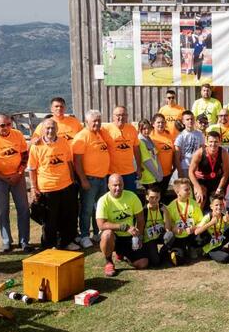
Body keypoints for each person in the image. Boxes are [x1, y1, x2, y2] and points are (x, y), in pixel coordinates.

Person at [0, 113, 31, 253]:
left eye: (9, 124)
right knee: (2, 210)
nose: (6, 127)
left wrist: (19, 173)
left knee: (23, 209)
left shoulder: (18, 134)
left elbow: (25, 156)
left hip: (17, 176)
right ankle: (6, 241)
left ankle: (24, 241)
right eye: (2, 125)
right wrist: (3, 177)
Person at [26, 118, 80, 251]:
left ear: (57, 129)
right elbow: (32, 169)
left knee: (67, 216)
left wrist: (73, 181)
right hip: (47, 188)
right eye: (47, 128)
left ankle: (66, 242)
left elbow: (68, 162)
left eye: (52, 128)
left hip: (66, 185)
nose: (50, 131)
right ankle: (49, 245)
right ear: (43, 130)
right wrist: (34, 188)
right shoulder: (36, 146)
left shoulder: (63, 142)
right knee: (49, 220)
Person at [71, 110, 111, 248]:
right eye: (94, 121)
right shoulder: (82, 137)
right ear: (86, 122)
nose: (97, 123)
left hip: (102, 178)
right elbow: (77, 161)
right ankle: (84, 235)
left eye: (99, 120)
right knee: (87, 209)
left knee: (99, 208)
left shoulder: (99, 134)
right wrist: (83, 180)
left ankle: (97, 232)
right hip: (89, 178)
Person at [95, 173, 148, 277]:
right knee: (107, 234)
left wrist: (139, 236)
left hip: (129, 237)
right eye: (115, 185)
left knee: (143, 263)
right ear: (108, 185)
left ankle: (122, 253)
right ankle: (109, 261)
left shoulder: (132, 196)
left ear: (124, 185)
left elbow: (140, 219)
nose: (118, 188)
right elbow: (101, 225)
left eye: (120, 185)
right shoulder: (103, 200)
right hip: (114, 236)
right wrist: (125, 227)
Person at [165, 178, 206, 263]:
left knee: (204, 233)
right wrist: (174, 229)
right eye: (186, 190)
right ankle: (176, 251)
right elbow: (168, 225)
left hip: (191, 235)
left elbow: (201, 222)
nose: (189, 191)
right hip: (179, 236)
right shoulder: (170, 207)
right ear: (178, 192)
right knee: (180, 259)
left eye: (189, 189)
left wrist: (194, 228)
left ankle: (193, 247)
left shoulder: (193, 203)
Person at [103, 106, 142, 193]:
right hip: (111, 172)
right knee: (113, 199)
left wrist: (139, 168)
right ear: (113, 116)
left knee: (131, 196)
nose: (121, 117)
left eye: (124, 115)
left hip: (129, 172)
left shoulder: (132, 129)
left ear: (127, 116)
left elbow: (136, 149)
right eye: (118, 115)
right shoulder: (105, 130)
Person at [189, 131, 229, 207]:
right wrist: (198, 188)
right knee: (200, 199)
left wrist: (219, 188)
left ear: (220, 142)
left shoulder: (224, 153)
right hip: (202, 181)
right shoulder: (199, 153)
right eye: (211, 142)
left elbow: (226, 172)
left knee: (220, 203)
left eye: (216, 142)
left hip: (216, 180)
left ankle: (218, 218)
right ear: (206, 142)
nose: (213, 144)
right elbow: (191, 172)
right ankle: (198, 218)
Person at [197, 196, 229, 263]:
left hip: (220, 241)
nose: (219, 207)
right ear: (211, 206)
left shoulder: (224, 215)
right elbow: (196, 232)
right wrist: (210, 223)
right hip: (210, 247)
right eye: (216, 205)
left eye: (221, 205)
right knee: (225, 258)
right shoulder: (208, 217)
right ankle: (209, 253)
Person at [141, 184, 175, 267]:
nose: (154, 200)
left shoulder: (163, 209)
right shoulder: (143, 211)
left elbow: (168, 229)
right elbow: (140, 229)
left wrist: (166, 213)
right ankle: (158, 257)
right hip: (149, 239)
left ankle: (163, 252)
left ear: (160, 198)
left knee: (170, 235)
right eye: (152, 197)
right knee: (156, 262)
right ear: (147, 197)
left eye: (157, 197)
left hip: (160, 235)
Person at [148, 113, 177, 195]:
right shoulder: (150, 137)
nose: (161, 124)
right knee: (153, 196)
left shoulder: (169, 136)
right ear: (153, 124)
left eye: (163, 122)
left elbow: (174, 152)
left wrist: (174, 166)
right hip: (154, 174)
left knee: (162, 195)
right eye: (158, 122)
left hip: (167, 172)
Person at [175, 110, 205, 177]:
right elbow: (177, 156)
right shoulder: (180, 136)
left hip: (196, 167)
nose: (190, 121)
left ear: (194, 120)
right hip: (184, 167)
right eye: (187, 119)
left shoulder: (200, 134)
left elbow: (202, 151)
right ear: (183, 121)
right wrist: (180, 171)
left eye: (191, 119)